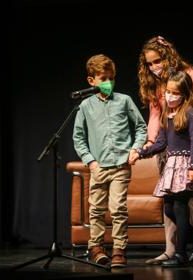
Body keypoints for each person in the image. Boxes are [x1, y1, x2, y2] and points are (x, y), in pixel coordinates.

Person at [138, 35, 193, 265]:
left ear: (168, 57)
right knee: (170, 197)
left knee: (191, 197)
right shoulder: (157, 86)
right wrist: (150, 142)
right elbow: (155, 116)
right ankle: (171, 248)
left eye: (158, 61)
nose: (154, 67)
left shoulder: (191, 76)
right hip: (169, 139)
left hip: (191, 140)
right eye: (149, 63)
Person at [129, 71, 193, 267]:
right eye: (167, 91)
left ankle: (181, 254)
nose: (169, 96)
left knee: (180, 208)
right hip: (172, 165)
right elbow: (160, 143)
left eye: (174, 92)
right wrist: (141, 153)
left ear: (184, 94)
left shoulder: (191, 113)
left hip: (185, 166)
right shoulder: (168, 114)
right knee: (169, 209)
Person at [73, 54, 147, 268]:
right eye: (103, 78)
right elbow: (78, 137)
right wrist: (90, 161)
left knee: (118, 209)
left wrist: (135, 149)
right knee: (95, 209)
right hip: (98, 166)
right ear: (91, 80)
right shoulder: (85, 106)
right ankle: (96, 247)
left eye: (111, 78)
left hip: (121, 165)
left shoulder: (124, 100)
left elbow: (140, 127)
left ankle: (119, 249)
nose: (108, 83)